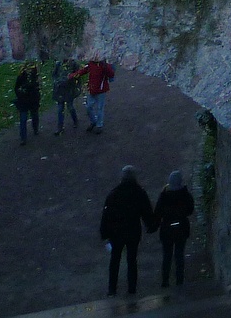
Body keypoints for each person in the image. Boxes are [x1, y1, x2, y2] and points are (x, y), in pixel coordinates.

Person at [99, 165, 156, 296]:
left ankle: (112, 289)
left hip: (116, 233)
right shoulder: (139, 193)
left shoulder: (114, 194)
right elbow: (146, 211)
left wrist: (104, 233)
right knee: (132, 260)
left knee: (115, 260)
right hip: (133, 232)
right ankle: (132, 288)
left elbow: (107, 215)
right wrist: (151, 226)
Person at [154, 169, 196, 288]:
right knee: (179, 255)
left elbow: (158, 212)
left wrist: (154, 225)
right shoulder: (185, 194)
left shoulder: (164, 195)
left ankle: (165, 281)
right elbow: (190, 210)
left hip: (167, 228)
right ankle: (179, 280)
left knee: (167, 255)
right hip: (182, 227)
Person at [75, 55, 115, 133]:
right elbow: (83, 71)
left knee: (100, 108)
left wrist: (105, 66)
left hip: (101, 90)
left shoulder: (104, 65)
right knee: (88, 107)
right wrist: (72, 76)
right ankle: (94, 121)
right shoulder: (91, 64)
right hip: (92, 89)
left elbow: (111, 74)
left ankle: (99, 125)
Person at [14, 61, 42, 144]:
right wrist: (20, 94)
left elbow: (38, 87)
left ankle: (35, 129)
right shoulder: (21, 76)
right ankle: (23, 137)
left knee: (34, 116)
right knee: (23, 119)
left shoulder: (35, 77)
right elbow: (16, 87)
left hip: (33, 100)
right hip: (24, 100)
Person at [52, 57, 80, 134]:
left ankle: (75, 120)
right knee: (60, 109)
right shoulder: (58, 64)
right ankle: (60, 127)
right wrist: (56, 81)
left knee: (70, 107)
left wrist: (73, 82)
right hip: (60, 90)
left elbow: (78, 74)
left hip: (69, 89)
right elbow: (54, 74)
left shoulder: (73, 64)